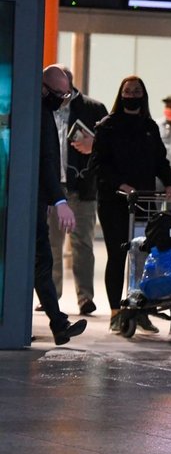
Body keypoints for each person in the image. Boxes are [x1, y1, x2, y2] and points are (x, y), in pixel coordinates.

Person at [91, 76, 171, 334]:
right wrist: (120, 184)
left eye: (137, 91)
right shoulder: (107, 126)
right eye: (128, 91)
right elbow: (98, 165)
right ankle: (116, 312)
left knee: (143, 256)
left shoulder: (149, 126)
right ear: (121, 94)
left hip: (145, 200)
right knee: (118, 255)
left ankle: (140, 309)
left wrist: (169, 183)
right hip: (114, 201)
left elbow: (160, 160)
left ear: (144, 95)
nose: (132, 94)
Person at [46, 66, 107, 316]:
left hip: (82, 187)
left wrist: (95, 144)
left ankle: (85, 297)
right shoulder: (44, 107)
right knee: (52, 244)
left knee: (83, 243)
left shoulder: (93, 108)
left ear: (69, 84)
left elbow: (110, 146)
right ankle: (51, 294)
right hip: (52, 186)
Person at [35, 65, 87, 345]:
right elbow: (45, 161)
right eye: (59, 94)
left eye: (66, 95)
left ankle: (58, 324)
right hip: (32, 200)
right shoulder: (39, 115)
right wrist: (59, 200)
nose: (62, 100)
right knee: (41, 260)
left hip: (36, 200)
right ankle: (57, 324)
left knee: (40, 260)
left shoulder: (42, 111)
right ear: (43, 88)